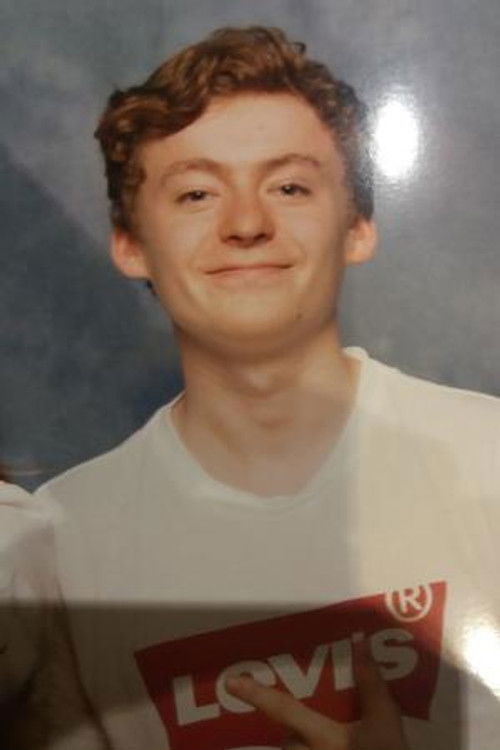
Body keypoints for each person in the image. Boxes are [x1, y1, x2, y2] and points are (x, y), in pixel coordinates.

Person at [22, 25, 499, 749]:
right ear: (129, 244)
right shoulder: (58, 545)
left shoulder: (489, 459)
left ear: (358, 226)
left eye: (289, 187)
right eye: (197, 194)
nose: (246, 223)